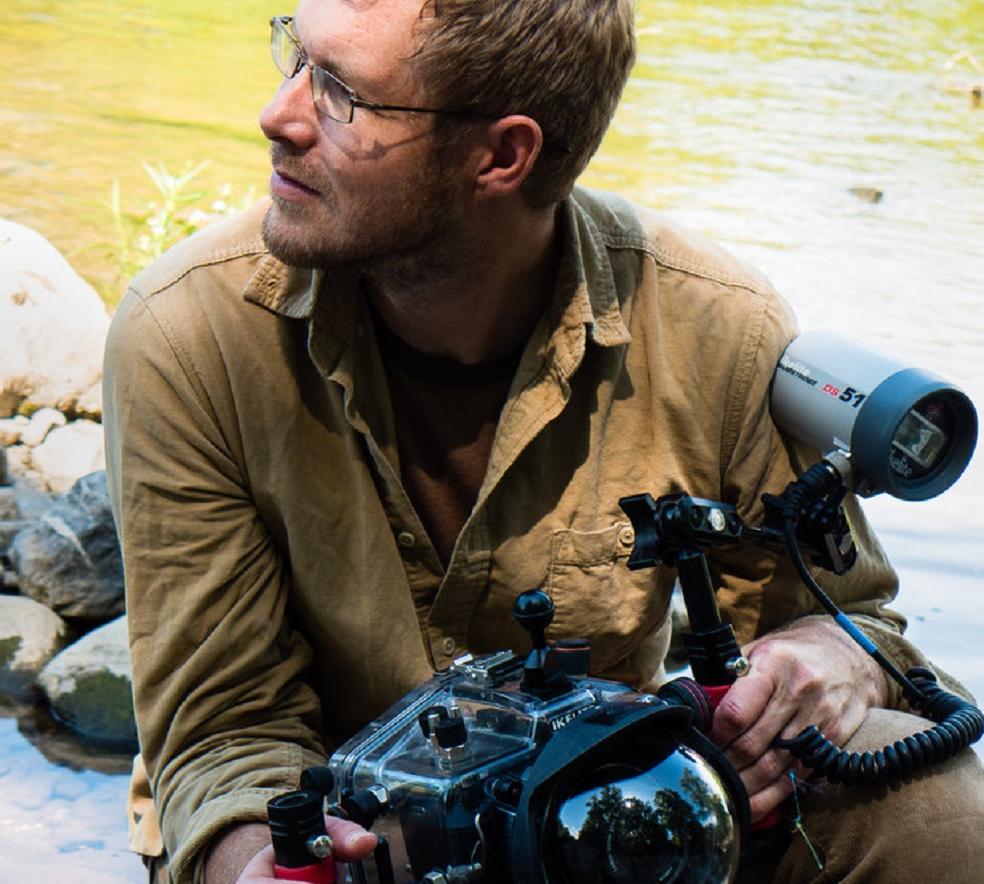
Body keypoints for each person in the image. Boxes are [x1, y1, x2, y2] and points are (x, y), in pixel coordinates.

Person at [102, 1, 984, 882]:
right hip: (342, 839)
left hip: (601, 821)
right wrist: (259, 860)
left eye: (341, 94)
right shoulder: (188, 337)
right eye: (295, 54)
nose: (279, 113)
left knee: (928, 799)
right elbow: (222, 728)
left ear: (502, 155)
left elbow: (855, 621)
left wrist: (824, 659)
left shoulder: (717, 329)